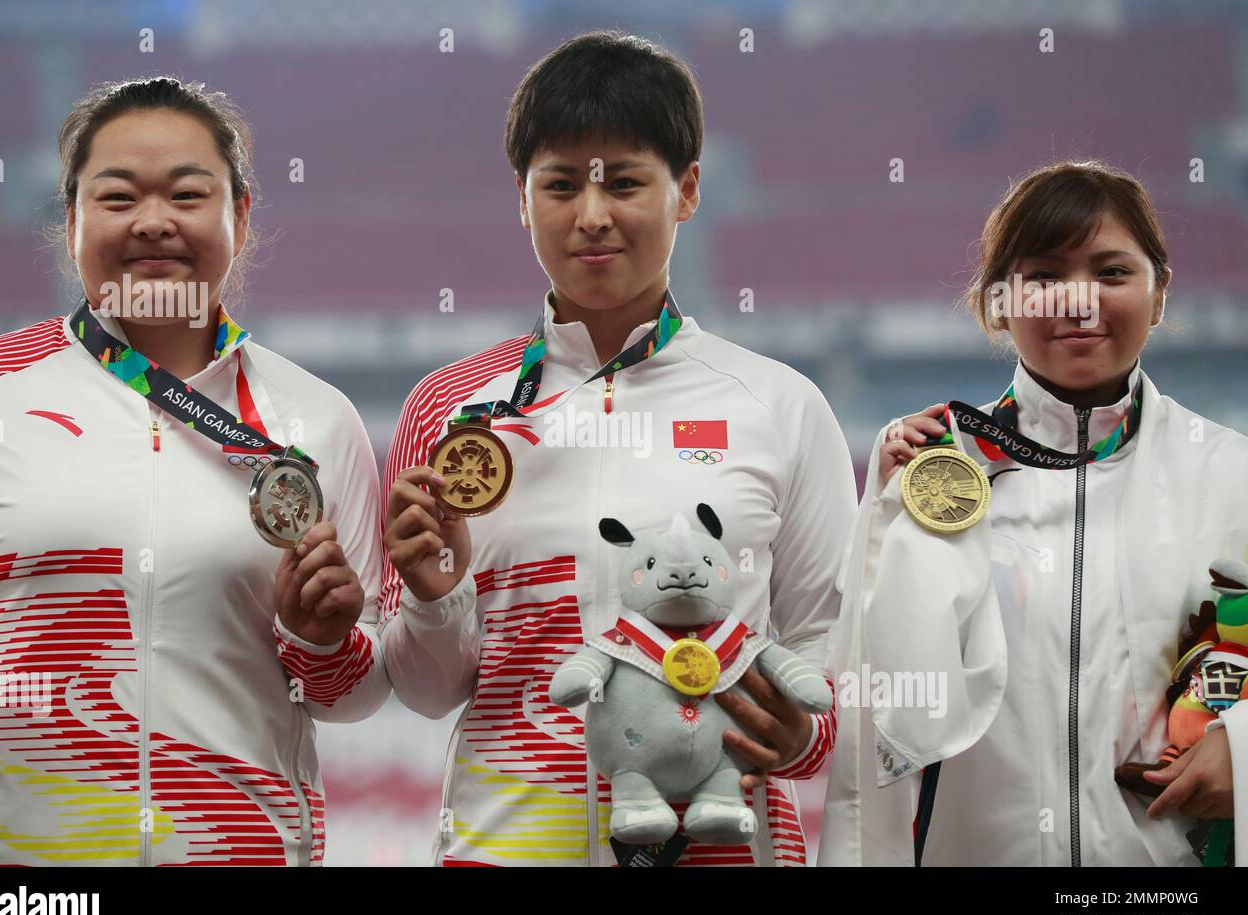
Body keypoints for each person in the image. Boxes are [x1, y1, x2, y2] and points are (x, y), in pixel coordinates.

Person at [380, 32, 857, 866]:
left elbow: (835, 669)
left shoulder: (782, 407)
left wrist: (798, 738)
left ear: (688, 190)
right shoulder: (450, 412)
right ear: (521, 199)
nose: (592, 216)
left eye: (626, 182)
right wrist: (432, 599)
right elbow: (424, 692)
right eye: (560, 185)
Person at [0, 77, 389, 867]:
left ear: (241, 215)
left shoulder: (317, 422)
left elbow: (351, 698)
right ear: (72, 219)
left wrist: (320, 643)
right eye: (117, 198)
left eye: (188, 194)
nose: (154, 222)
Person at [820, 160, 1248, 866]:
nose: (1079, 302)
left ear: (1160, 293)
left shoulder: (1230, 473)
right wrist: (887, 515)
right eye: (1045, 276)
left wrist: (1241, 748)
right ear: (998, 302)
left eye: (1112, 273)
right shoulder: (938, 474)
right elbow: (871, 722)